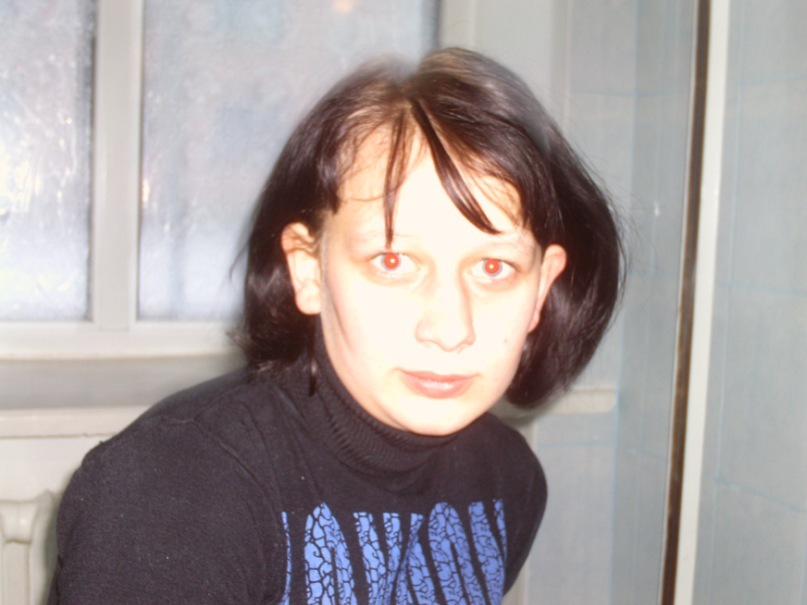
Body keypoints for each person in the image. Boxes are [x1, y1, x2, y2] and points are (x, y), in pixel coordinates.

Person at [49, 48, 622, 604]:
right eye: (392, 261)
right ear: (309, 270)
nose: (451, 329)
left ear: (541, 288)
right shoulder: (173, 493)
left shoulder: (508, 482)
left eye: (494, 268)